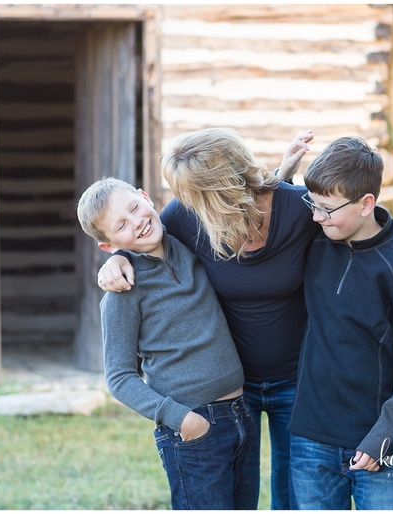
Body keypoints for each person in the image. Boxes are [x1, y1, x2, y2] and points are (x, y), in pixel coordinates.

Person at [97, 128, 316, 509]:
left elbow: (278, 208)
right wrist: (116, 260)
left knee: (295, 495)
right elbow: (142, 244)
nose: (189, 205)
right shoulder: (185, 218)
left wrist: (284, 175)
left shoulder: (297, 209)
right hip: (222, 400)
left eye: (199, 195)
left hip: (289, 384)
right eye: (186, 197)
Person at [77, 177, 258, 510]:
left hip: (241, 413)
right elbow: (119, 378)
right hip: (192, 428)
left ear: (145, 197)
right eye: (121, 225)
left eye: (135, 208)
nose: (137, 222)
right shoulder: (122, 293)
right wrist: (181, 419)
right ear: (108, 245)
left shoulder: (190, 242)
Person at [287, 136, 393, 509]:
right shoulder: (315, 239)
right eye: (313, 205)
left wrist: (384, 436)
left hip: (375, 442)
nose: (317, 216)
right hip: (310, 437)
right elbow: (262, 216)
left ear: (366, 203)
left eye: (327, 209)